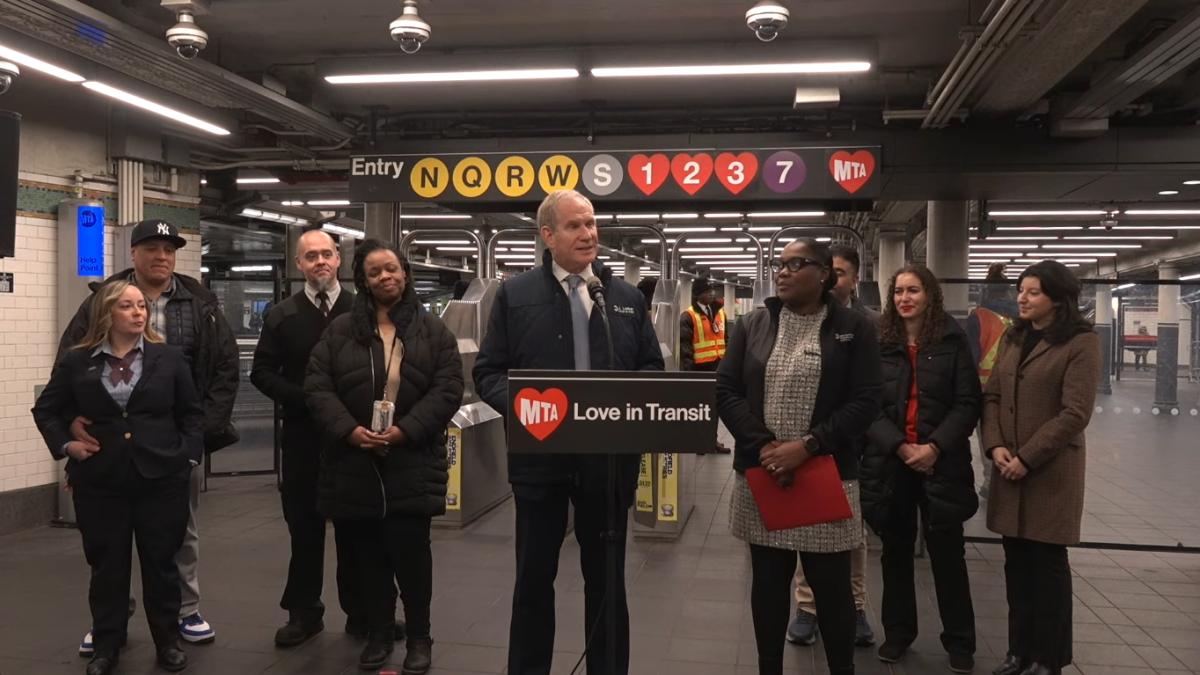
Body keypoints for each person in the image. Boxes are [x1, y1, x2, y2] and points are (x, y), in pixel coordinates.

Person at [474, 190, 664, 675]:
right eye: (576, 226)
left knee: (607, 582)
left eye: (592, 224)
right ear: (548, 235)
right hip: (541, 459)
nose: (589, 234)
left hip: (609, 462)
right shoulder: (515, 296)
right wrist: (526, 410)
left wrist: (628, 402)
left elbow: (650, 367)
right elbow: (489, 372)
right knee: (533, 580)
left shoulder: (623, 298)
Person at [57, 219, 239, 653]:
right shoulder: (103, 300)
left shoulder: (200, 301)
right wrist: (71, 420)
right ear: (133, 254)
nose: (162, 256)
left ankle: (185, 610)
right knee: (110, 542)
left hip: (173, 443)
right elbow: (70, 360)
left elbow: (225, 367)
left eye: (169, 249)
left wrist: (196, 441)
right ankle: (112, 620)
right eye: (153, 248)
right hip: (112, 445)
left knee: (179, 533)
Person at [716, 237, 882, 675]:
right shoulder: (754, 323)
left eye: (796, 263)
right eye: (780, 264)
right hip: (764, 474)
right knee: (768, 588)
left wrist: (807, 446)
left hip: (825, 474)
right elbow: (727, 391)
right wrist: (765, 447)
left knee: (832, 591)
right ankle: (768, 666)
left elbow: (866, 401)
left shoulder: (854, 327)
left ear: (824, 273)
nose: (783, 272)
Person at [305, 239, 463, 674]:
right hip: (354, 462)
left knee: (412, 556)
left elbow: (448, 386)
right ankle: (377, 633)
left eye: (391, 269)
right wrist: (349, 431)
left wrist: (406, 430)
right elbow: (318, 387)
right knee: (366, 556)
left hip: (412, 460)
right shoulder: (339, 332)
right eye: (374, 273)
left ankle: (419, 637)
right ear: (364, 281)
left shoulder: (433, 332)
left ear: (405, 274)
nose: (384, 277)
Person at [33, 281, 204, 675]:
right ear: (107, 314)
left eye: (141, 305)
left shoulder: (169, 358)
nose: (138, 312)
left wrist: (188, 459)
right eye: (127, 306)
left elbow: (191, 414)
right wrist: (66, 446)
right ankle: (106, 645)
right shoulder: (79, 362)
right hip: (101, 481)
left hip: (162, 479)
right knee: (107, 566)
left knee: (161, 564)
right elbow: (46, 411)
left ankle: (168, 642)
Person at [251, 230, 404, 647]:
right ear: (298, 265)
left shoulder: (365, 310)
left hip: (354, 440)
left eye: (326, 254)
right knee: (305, 529)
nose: (319, 262)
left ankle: (365, 613)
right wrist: (304, 400)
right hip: (303, 439)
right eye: (310, 256)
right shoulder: (283, 315)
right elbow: (261, 372)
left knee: (360, 530)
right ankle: (304, 613)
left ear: (339, 260)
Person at [860, 265, 981, 674]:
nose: (904, 298)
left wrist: (933, 447)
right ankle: (898, 634)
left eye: (913, 290)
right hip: (891, 462)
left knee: (948, 553)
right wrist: (898, 445)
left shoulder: (952, 339)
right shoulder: (878, 341)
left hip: (940, 464)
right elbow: (867, 405)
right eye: (897, 292)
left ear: (930, 294)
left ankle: (960, 641)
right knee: (895, 552)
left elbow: (968, 403)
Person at [983, 261, 1100, 675]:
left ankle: (1049, 658)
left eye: (1033, 292)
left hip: (1049, 472)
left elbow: (1075, 412)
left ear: (1057, 297)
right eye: (1021, 290)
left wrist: (1027, 458)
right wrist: (995, 445)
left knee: (1047, 568)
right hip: (1009, 467)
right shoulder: (1014, 337)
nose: (1022, 298)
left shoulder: (1081, 342)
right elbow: (992, 395)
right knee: (1017, 567)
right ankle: (1019, 652)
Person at [789, 243, 878, 647]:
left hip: (856, 444)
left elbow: (871, 393)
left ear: (852, 279)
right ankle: (807, 607)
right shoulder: (801, 321)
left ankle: (854, 605)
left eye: (841, 273)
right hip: (812, 444)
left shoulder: (866, 325)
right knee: (808, 524)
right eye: (831, 271)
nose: (834, 278)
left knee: (850, 532)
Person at [966, 263, 1017, 500]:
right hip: (1018, 390)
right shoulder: (1022, 317)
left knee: (988, 437)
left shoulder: (979, 316)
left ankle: (991, 482)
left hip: (985, 390)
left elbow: (971, 356)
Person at [681, 277, 731, 453]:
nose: (711, 294)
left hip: (719, 366)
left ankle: (712, 440)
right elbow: (684, 346)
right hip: (700, 368)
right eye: (707, 292)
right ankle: (699, 441)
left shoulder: (720, 312)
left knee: (715, 406)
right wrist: (690, 373)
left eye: (712, 291)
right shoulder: (689, 316)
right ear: (697, 295)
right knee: (699, 407)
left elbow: (725, 339)